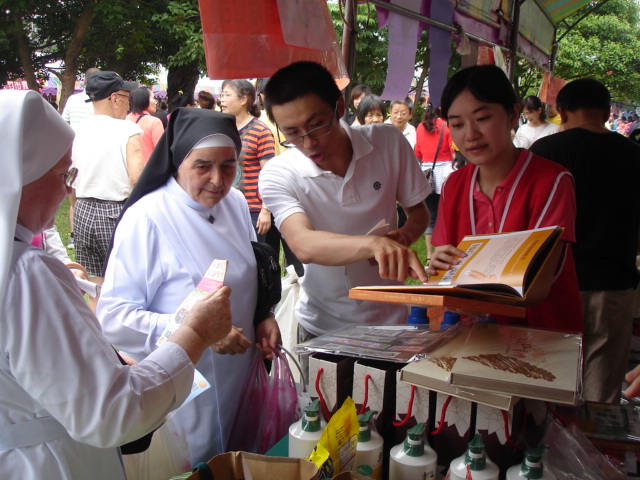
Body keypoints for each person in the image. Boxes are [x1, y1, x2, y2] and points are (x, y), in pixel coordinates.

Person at [1, 89, 233, 479]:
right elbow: (110, 412)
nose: (68, 190)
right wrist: (194, 331)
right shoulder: (26, 272)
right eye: (62, 174)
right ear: (15, 175)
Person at [97, 107, 281, 465]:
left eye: (229, 165)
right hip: (186, 386)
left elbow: (250, 273)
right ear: (178, 160)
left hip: (241, 375)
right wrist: (197, 333)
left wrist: (264, 315)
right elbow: (114, 316)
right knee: (198, 463)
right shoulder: (147, 217)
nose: (218, 179)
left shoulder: (236, 202)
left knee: (240, 459)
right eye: (202, 166)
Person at [259, 61, 430, 372]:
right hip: (324, 327)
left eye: (317, 125)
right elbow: (304, 244)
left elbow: (418, 212)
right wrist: (373, 246)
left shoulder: (388, 142)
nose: (308, 143)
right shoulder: (279, 174)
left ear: (338, 106)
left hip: (394, 323)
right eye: (292, 133)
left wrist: (404, 237)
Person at [425, 65, 582, 334]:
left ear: (513, 115)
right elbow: (443, 269)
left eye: (483, 118)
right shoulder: (455, 184)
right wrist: (438, 267)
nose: (470, 134)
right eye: (457, 124)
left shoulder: (552, 181)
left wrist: (459, 286)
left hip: (539, 338)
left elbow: (535, 287)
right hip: (469, 335)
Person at [530, 78, 640, 403]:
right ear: (607, 112)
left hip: (553, 286)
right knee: (600, 395)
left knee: (545, 385)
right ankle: (592, 452)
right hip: (613, 288)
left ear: (561, 111)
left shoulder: (545, 152)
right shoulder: (634, 155)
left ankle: (542, 451)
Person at [71, 71, 144, 301]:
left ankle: (96, 335)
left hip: (83, 211)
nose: (128, 104)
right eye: (126, 97)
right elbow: (137, 178)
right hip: (115, 212)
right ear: (114, 98)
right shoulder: (127, 129)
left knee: (95, 288)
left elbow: (70, 181)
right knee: (124, 285)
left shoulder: (77, 132)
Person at [220, 79, 279, 254]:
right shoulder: (222, 129)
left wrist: (265, 210)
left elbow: (268, 174)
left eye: (227, 95)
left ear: (244, 99)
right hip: (225, 207)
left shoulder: (260, 131)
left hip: (253, 211)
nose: (222, 100)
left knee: (252, 259)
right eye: (221, 95)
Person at [61, 67, 100, 250]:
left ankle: (75, 236)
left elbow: (64, 124)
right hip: (93, 153)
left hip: (73, 154)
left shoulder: (72, 100)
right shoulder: (99, 103)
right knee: (92, 196)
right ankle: (86, 235)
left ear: (84, 81)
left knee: (74, 196)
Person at [414, 104, 454, 259]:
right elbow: (453, 150)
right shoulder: (446, 126)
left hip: (427, 174)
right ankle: (442, 251)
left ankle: (430, 256)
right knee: (445, 214)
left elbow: (417, 151)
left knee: (431, 216)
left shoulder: (419, 127)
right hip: (445, 173)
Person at [126, 86, 165, 164]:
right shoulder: (154, 122)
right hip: (148, 172)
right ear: (144, 100)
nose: (155, 102)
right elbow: (162, 153)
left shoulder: (124, 120)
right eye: (153, 98)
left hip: (128, 171)